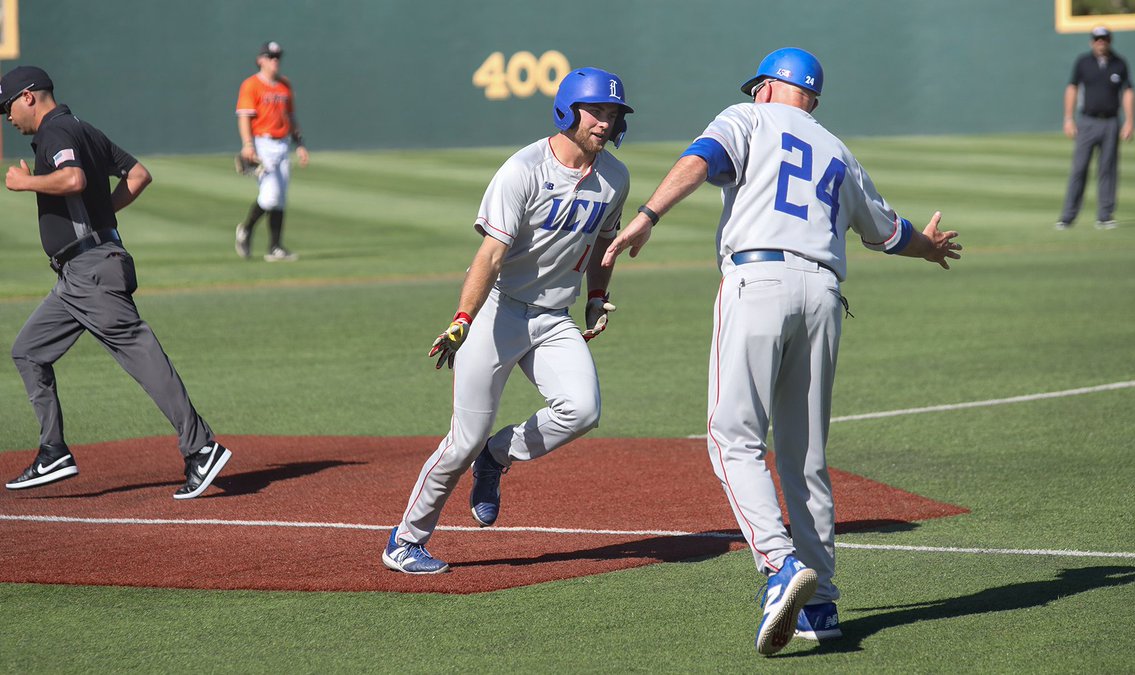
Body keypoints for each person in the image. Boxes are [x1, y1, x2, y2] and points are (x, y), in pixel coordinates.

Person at [602, 48, 961, 655]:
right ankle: (822, 606)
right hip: (823, 293)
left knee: (731, 436)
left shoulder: (746, 118)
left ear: (768, 87)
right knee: (805, 455)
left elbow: (702, 158)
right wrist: (927, 248)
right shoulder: (838, 152)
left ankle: (778, 564)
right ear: (812, 98)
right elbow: (885, 232)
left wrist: (648, 215)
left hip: (759, 281)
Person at [381, 67, 632, 575]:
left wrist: (597, 296)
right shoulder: (523, 170)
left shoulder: (615, 178)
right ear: (568, 111)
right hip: (498, 312)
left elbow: (604, 240)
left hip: (554, 317)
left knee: (582, 410)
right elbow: (491, 254)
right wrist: (462, 319)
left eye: (613, 114)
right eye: (596, 112)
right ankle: (405, 542)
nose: (605, 123)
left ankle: (498, 457)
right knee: (461, 440)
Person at [2, 66, 233, 499]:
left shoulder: (55, 133)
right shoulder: (84, 129)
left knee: (140, 353)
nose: (7, 116)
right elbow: (139, 175)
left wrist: (25, 183)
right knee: (28, 351)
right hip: (79, 276)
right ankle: (53, 450)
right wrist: (100, 218)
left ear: (29, 96)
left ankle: (201, 448)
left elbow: (73, 179)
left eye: (8, 105)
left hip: (90, 271)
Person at [234, 40, 309, 261]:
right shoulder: (251, 85)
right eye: (270, 57)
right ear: (260, 60)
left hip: (283, 143)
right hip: (262, 144)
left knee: (281, 198)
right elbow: (244, 117)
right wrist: (248, 145)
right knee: (270, 196)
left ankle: (275, 247)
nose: (275, 61)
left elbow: (291, 117)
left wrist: (300, 144)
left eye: (277, 57)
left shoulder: (285, 84)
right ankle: (246, 229)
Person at [1056, 26, 1135, 230]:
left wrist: (1129, 121)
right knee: (1079, 168)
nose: (1101, 42)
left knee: (1108, 169)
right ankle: (1068, 216)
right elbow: (1072, 88)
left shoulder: (1119, 63)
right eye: (1097, 39)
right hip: (1087, 122)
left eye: (1104, 39)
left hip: (1110, 121)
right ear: (1092, 42)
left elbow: (1127, 91)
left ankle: (1105, 215)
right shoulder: (1083, 62)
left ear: (1110, 40)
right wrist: (1068, 118)